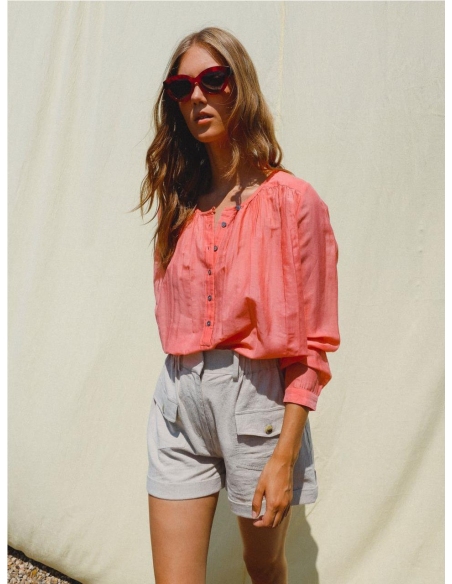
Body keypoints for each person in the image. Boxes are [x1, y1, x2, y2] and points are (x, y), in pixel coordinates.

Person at [135, 26, 340, 584]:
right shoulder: (180, 203)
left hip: (257, 403)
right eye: (182, 88)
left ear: (239, 84)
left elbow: (313, 344)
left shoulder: (294, 202)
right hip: (178, 401)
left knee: (263, 565)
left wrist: (284, 456)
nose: (197, 97)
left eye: (213, 79)